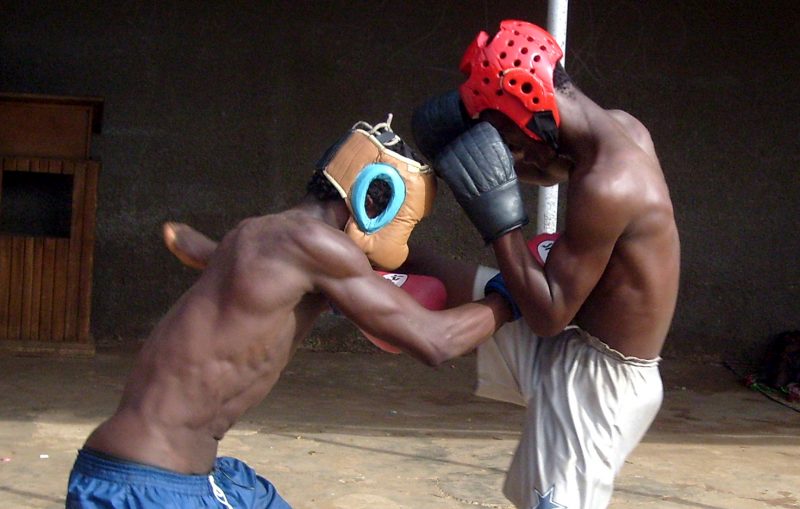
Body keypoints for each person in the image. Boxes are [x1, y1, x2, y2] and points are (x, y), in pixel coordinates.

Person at [65, 117, 515, 508]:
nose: (405, 235)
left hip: (156, 470)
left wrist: (193, 245)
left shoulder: (261, 233)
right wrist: (512, 294)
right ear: (377, 197)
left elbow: (219, 257)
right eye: (407, 219)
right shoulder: (319, 247)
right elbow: (436, 342)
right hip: (151, 489)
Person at [407, 20, 681, 509]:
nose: (509, 152)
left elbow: (548, 314)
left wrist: (501, 225)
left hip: (599, 385)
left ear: (531, 115)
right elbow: (547, 164)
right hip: (572, 344)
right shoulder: (617, 128)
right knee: (435, 277)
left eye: (507, 137)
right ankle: (352, 264)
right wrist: (464, 159)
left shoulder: (610, 184)